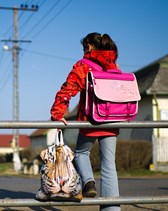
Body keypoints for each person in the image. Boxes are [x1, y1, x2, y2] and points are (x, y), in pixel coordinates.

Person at [50, 32, 120, 211]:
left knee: (81, 153)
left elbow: (68, 89)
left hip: (91, 120)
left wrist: (58, 113)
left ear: (89, 46)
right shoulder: (114, 66)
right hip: (112, 120)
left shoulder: (83, 66)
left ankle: (89, 182)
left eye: (84, 48)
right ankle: (112, 209)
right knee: (109, 165)